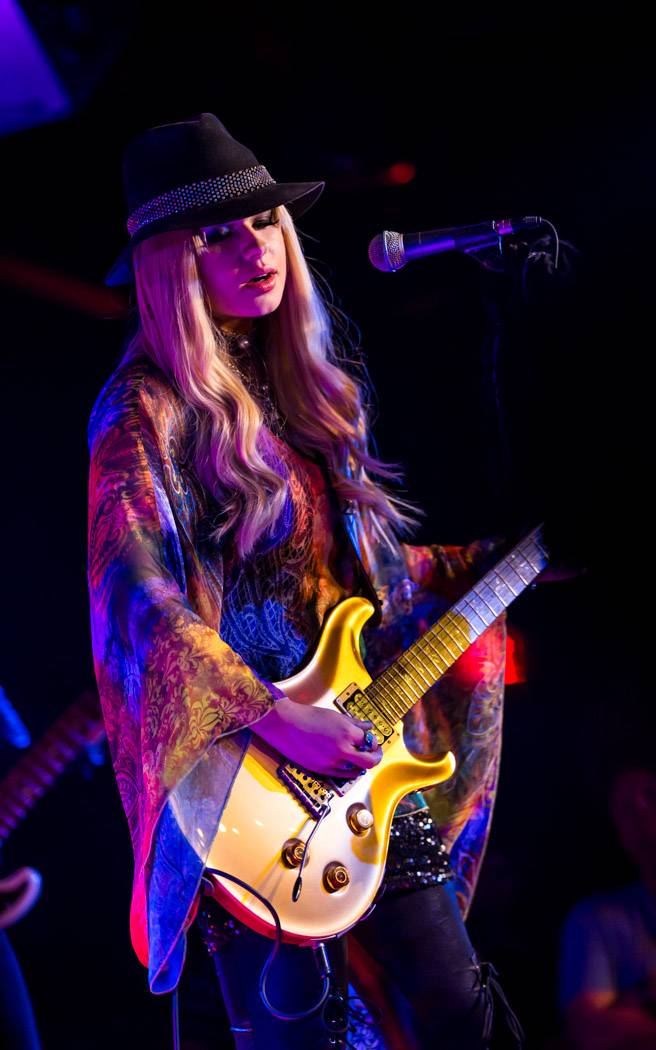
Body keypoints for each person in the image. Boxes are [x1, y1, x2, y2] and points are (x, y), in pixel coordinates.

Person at [87, 112, 524, 1049]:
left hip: (357, 765)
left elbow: (373, 588)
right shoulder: (143, 411)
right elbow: (137, 602)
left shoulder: (305, 395)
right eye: (216, 234)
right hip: (242, 787)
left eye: (263, 221)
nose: (255, 248)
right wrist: (278, 717)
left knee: (465, 1015)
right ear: (169, 266)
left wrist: (510, 561)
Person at [557, 766, 656, 1050]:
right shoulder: (595, 918)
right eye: (625, 808)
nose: (642, 813)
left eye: (651, 796)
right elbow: (591, 1031)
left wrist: (647, 999)